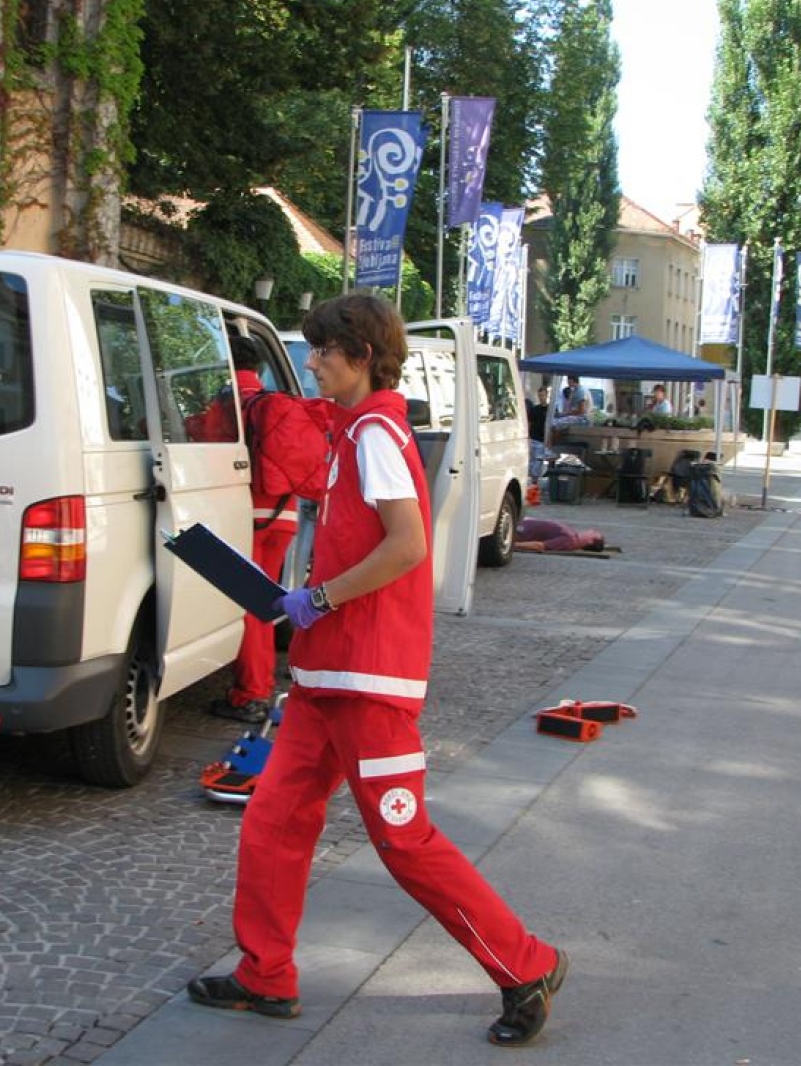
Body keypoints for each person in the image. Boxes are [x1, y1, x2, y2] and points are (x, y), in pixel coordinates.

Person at [186, 294, 568, 1047]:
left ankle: (528, 964)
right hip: (329, 677)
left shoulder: (376, 435)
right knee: (272, 820)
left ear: (360, 356)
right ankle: (266, 973)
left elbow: (407, 545)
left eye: (323, 351)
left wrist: (316, 598)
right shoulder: (351, 431)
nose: (313, 362)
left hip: (368, 680)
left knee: (403, 838)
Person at [210, 335, 326, 725]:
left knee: (248, 607)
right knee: (263, 603)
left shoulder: (226, 404)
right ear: (259, 368)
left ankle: (251, 694)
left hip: (247, 517)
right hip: (283, 515)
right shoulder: (276, 403)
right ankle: (273, 679)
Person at [513, 516, 604, 553]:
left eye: (594, 533)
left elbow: (540, 546)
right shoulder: (573, 535)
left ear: (590, 541)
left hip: (520, 530)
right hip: (522, 522)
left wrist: (513, 545)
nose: (591, 530)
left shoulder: (568, 541)